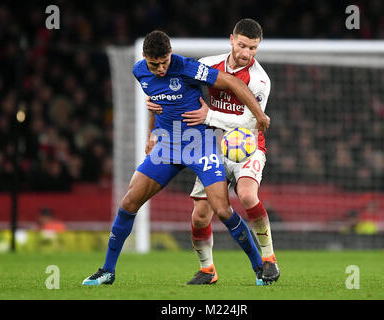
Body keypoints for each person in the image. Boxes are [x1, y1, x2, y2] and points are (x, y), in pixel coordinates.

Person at [82, 30, 270, 286]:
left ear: (170, 54)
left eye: (164, 62)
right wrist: (151, 133)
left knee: (223, 210)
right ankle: (107, 271)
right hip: (167, 145)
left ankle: (260, 267)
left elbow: (233, 83)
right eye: (154, 64)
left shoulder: (186, 67)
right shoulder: (140, 71)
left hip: (199, 144)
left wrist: (259, 114)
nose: (160, 69)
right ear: (144, 59)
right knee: (128, 202)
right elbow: (157, 101)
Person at [146, 19, 280, 285]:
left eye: (253, 48)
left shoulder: (260, 81)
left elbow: (252, 122)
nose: (246, 53)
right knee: (199, 215)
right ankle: (207, 270)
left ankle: (269, 259)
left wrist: (210, 115)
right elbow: (179, 84)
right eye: (242, 45)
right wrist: (157, 99)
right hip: (213, 146)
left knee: (246, 194)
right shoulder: (208, 64)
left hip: (248, 146)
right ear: (232, 39)